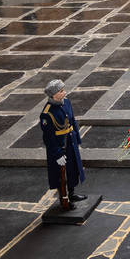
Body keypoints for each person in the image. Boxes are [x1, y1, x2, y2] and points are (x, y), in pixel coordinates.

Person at [39, 79, 86, 209]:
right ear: (54, 95)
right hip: (59, 147)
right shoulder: (47, 113)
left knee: (72, 169)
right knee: (60, 175)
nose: (64, 92)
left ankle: (72, 194)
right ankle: (63, 198)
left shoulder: (66, 102)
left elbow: (72, 121)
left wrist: (77, 139)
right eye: (61, 91)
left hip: (70, 142)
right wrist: (57, 154)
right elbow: (48, 138)